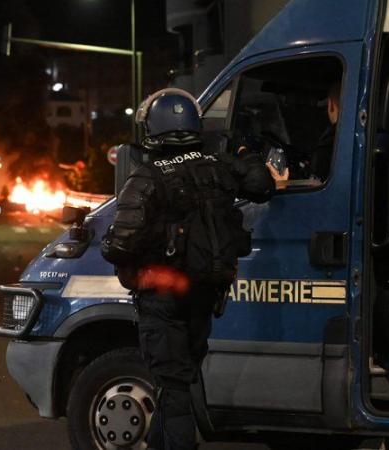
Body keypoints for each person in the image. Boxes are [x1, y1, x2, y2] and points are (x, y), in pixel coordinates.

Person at [101, 88, 275, 450]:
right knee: (177, 382)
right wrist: (244, 151)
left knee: (174, 389)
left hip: (163, 299)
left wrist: (106, 245)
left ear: (152, 129)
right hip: (204, 295)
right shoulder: (217, 166)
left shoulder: (147, 177)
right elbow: (262, 184)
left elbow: (120, 245)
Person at [268, 82, 341, 187]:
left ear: (331, 105)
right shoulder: (347, 141)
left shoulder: (326, 150)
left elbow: (315, 196)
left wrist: (282, 186)